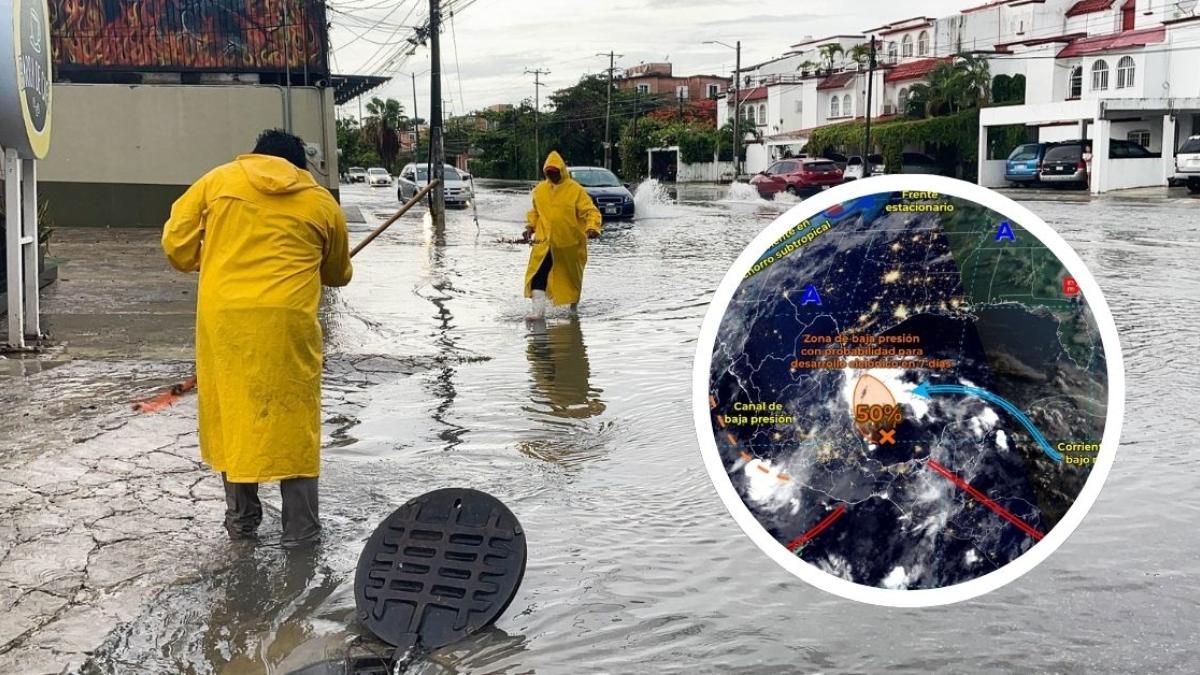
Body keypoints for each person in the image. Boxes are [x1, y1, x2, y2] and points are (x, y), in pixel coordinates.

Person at [161, 129, 353, 547]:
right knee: (294, 422)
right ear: (301, 166)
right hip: (287, 325)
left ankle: (242, 524)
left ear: (253, 156)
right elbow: (338, 274)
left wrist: (209, 258)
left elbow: (176, 247)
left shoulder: (217, 182)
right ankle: (301, 534)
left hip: (225, 322)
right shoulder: (321, 202)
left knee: (234, 412)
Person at [523, 151, 602, 320]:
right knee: (538, 273)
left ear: (562, 171)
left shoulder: (575, 190)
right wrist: (530, 226)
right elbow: (536, 212)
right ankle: (538, 312)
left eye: (554, 172)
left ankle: (573, 308)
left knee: (571, 278)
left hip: (569, 244)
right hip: (545, 243)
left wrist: (592, 227)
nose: (552, 176)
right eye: (548, 173)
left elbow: (590, 211)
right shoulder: (539, 190)